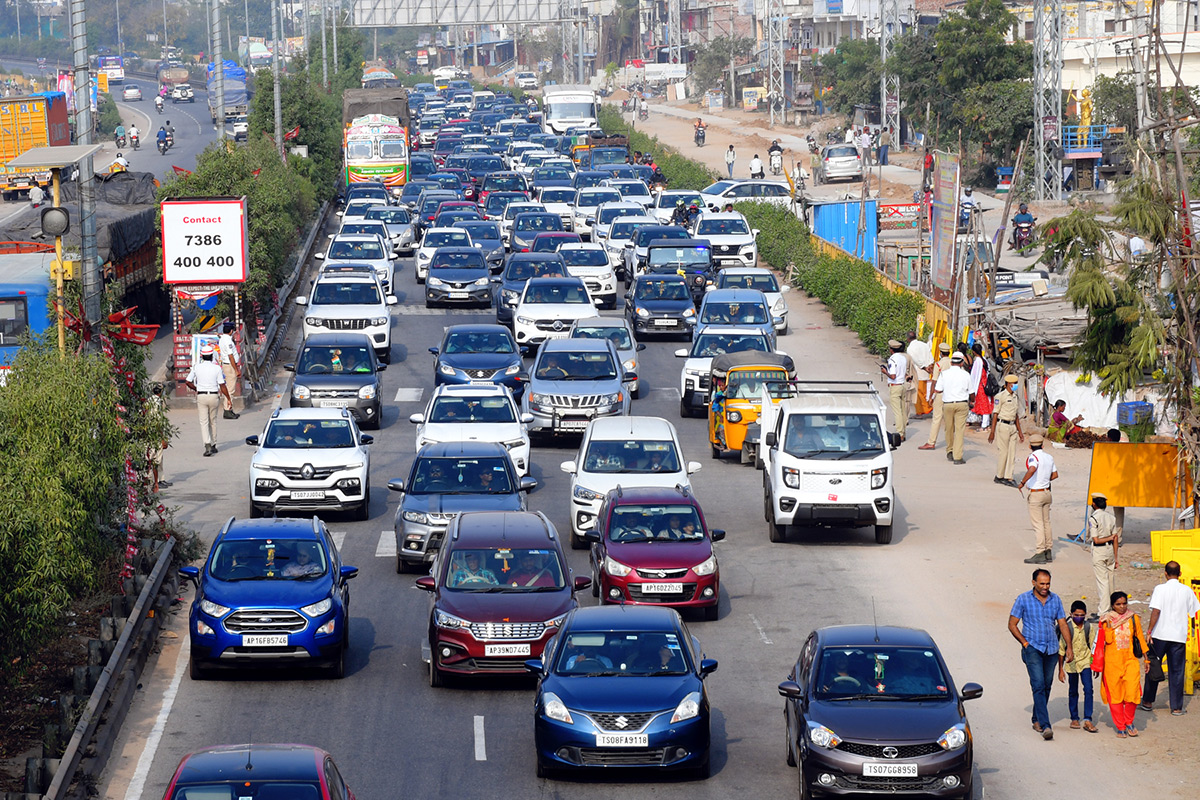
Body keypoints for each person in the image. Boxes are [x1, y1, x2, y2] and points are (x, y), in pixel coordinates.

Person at [1008, 568, 1072, 741]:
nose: (1045, 587)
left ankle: (1036, 719)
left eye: (1048, 583)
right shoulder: (1023, 599)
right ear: (1033, 582)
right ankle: (1045, 725)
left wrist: (1069, 647)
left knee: (1046, 685)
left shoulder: (1055, 599)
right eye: (1042, 583)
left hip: (1051, 649)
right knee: (1038, 684)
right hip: (1033, 649)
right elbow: (1012, 624)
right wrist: (1025, 643)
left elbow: (1063, 624)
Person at [1141, 560, 1200, 715]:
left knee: (1153, 667)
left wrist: (1149, 631)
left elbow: (1156, 612)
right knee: (1177, 671)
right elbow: (1194, 613)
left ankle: (1147, 701)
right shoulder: (1187, 591)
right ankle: (1176, 707)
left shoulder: (1160, 589)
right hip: (1179, 637)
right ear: (1180, 574)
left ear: (1165, 573)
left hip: (1160, 635)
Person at [1092, 591, 1149, 737]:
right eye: (1118, 604)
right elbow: (1105, 641)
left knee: (1133, 693)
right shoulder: (1105, 620)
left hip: (1130, 661)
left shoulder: (1133, 618)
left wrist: (1146, 659)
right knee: (1115, 697)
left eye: (1124, 603)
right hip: (1111, 664)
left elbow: (1140, 638)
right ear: (1112, 605)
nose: (1122, 607)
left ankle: (1129, 721)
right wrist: (1110, 625)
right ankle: (1121, 726)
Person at [183, 343, 233, 457]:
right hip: (214, 396)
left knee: (204, 422)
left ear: (202, 356)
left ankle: (207, 445)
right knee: (213, 420)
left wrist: (196, 389)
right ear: (211, 356)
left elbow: (187, 381)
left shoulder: (197, 367)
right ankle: (214, 444)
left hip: (201, 396)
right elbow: (222, 385)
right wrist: (228, 398)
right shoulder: (217, 368)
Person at [1058, 600, 1098, 732]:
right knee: (1073, 690)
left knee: (1088, 689)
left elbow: (1093, 647)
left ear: (1085, 615)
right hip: (1072, 664)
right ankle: (1074, 717)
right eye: (1076, 615)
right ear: (1071, 614)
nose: (1079, 617)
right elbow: (1061, 651)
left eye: (1082, 615)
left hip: (1086, 661)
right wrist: (1060, 670)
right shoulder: (1067, 628)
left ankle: (1088, 719)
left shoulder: (1088, 627)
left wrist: (1095, 665)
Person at [1018, 433, 1059, 564]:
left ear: (1030, 446)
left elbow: (1032, 469)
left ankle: (1040, 551)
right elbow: (1055, 474)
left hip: (1036, 493)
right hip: (1047, 492)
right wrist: (1045, 480)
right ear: (1042, 445)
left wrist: (1023, 482)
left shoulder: (1033, 457)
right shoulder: (1049, 457)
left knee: (1038, 524)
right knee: (1046, 522)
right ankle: (1048, 550)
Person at [932, 351, 971, 463]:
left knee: (949, 428)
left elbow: (938, 389)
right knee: (959, 430)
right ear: (962, 363)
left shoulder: (944, 374)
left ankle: (950, 450)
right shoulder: (966, 375)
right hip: (962, 404)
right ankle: (957, 457)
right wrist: (972, 400)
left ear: (951, 362)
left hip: (948, 404)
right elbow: (972, 392)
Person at [989, 375, 1025, 486]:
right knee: (1003, 452)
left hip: (1012, 426)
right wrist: (992, 431)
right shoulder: (1000, 396)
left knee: (1012, 453)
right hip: (1003, 425)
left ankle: (1009, 476)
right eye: (1013, 383)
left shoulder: (1015, 397)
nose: (1015, 385)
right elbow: (995, 414)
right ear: (1008, 384)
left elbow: (1016, 415)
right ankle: (999, 476)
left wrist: (1020, 432)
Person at [1088, 493, 1119, 616]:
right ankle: (1112, 608)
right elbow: (1115, 538)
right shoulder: (1111, 518)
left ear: (1094, 504)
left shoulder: (1094, 518)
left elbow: (1096, 539)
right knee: (1110, 580)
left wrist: (1108, 538)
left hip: (1099, 551)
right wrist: (1116, 557)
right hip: (1110, 550)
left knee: (1103, 582)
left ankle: (1103, 612)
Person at [919, 342, 953, 450]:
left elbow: (934, 382)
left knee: (937, 418)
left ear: (941, 353)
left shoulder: (938, 365)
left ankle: (931, 442)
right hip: (951, 393)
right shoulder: (953, 363)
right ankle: (951, 442)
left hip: (940, 393)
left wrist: (930, 397)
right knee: (950, 419)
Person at [881, 339, 908, 440]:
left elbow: (893, 376)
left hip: (895, 386)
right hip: (902, 385)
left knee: (897, 411)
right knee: (902, 410)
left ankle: (900, 433)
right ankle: (903, 432)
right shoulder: (903, 358)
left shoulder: (892, 360)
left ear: (891, 350)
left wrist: (885, 372)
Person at [216, 321, 242, 419]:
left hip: (226, 365)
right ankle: (228, 410)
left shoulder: (223, 338)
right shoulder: (228, 341)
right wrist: (236, 370)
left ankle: (229, 409)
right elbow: (230, 356)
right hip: (230, 366)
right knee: (230, 389)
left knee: (229, 388)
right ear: (231, 331)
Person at [905, 333, 933, 418]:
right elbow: (930, 356)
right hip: (927, 371)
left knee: (918, 393)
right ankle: (926, 408)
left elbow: (915, 359)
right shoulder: (924, 345)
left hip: (918, 371)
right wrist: (930, 366)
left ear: (908, 339)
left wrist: (924, 367)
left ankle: (921, 411)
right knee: (924, 392)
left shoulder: (910, 348)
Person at [968, 342, 993, 430]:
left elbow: (974, 376)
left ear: (974, 352)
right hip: (985, 384)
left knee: (984, 405)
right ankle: (986, 423)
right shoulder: (984, 360)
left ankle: (984, 425)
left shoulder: (977, 361)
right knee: (986, 404)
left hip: (980, 386)